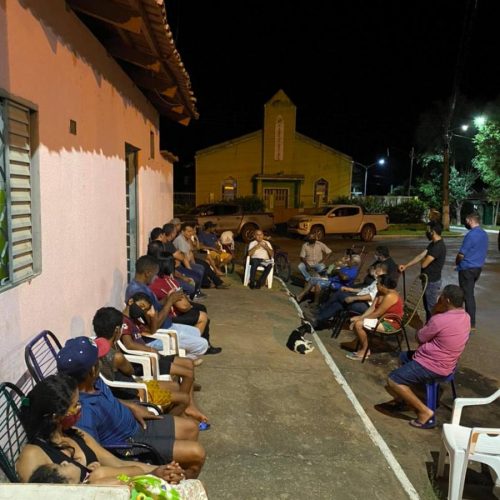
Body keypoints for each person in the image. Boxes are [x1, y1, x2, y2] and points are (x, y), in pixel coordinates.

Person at [56, 337, 206, 478]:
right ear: (92, 370)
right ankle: (181, 482)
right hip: (128, 443)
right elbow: (95, 452)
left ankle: (175, 473)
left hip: (136, 422)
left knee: (192, 427)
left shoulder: (92, 382)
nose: (101, 361)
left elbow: (107, 399)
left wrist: (131, 406)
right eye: (98, 360)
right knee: (197, 453)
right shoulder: (83, 412)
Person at [16, 373, 194, 484]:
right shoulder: (33, 455)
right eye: (75, 406)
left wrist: (158, 471)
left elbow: (118, 463)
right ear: (56, 416)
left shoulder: (78, 435)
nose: (81, 409)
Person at [383, 285, 470, 428]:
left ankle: (424, 412)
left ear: (446, 300)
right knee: (404, 356)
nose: (438, 298)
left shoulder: (440, 319)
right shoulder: (466, 317)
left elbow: (420, 337)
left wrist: (432, 314)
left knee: (393, 380)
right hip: (449, 364)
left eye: (440, 297)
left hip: (432, 365)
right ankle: (403, 397)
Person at [92, 306, 193, 415]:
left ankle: (175, 413)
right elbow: (130, 371)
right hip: (134, 392)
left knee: (176, 386)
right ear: (117, 330)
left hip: (127, 386)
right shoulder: (116, 356)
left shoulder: (94, 346)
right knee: (184, 398)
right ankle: (170, 422)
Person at [125, 255, 210, 358]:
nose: (156, 277)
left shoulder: (142, 286)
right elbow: (154, 326)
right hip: (156, 336)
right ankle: (180, 362)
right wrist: (169, 302)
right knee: (203, 345)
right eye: (155, 274)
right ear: (147, 273)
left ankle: (182, 361)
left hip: (167, 325)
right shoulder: (138, 292)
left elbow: (155, 306)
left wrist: (167, 298)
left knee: (196, 332)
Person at [311, 262, 388, 328]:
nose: (374, 270)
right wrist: (350, 289)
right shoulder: (377, 280)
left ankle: (320, 310)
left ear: (380, 270)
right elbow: (365, 290)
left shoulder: (382, 282)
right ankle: (317, 319)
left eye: (376, 269)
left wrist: (353, 298)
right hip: (360, 299)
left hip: (365, 305)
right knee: (339, 304)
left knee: (339, 294)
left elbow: (370, 296)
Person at [346, 274, 403, 360]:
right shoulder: (379, 292)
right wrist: (361, 317)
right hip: (380, 319)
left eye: (378, 283)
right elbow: (372, 308)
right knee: (356, 321)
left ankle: (365, 351)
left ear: (383, 285)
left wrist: (359, 319)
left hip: (390, 323)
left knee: (358, 324)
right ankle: (362, 345)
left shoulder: (390, 296)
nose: (376, 285)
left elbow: (377, 313)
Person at [398, 221, 446, 320]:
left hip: (432, 282)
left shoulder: (438, 247)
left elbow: (424, 263)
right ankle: (428, 328)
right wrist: (406, 265)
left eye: (428, 230)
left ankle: (433, 330)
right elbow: (421, 256)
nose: (426, 232)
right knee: (427, 307)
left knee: (431, 308)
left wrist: (424, 258)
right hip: (427, 280)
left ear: (433, 231)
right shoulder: (433, 244)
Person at [455, 212, 488, 331]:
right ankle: (465, 320)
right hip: (477, 268)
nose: (466, 223)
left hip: (467, 269)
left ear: (470, 220)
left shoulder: (471, 235)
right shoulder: (484, 234)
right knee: (467, 294)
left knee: (467, 296)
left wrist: (457, 261)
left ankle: (470, 323)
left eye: (466, 220)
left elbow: (461, 254)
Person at [174, 222, 230, 289]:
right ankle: (209, 283)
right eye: (188, 231)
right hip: (183, 263)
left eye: (191, 231)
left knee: (205, 264)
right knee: (202, 266)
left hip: (190, 259)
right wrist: (191, 268)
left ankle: (216, 283)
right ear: (182, 232)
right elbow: (184, 257)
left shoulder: (186, 238)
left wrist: (193, 239)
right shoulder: (180, 240)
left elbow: (192, 250)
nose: (191, 233)